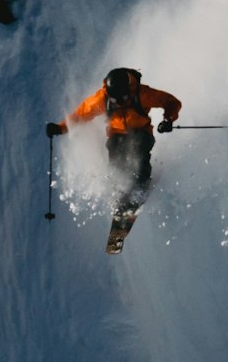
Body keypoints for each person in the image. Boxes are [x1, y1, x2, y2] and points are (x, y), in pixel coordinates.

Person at [47, 67, 182, 236]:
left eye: (123, 98)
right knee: (116, 164)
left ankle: (141, 183)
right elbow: (80, 116)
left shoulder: (142, 94)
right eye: (115, 99)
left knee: (138, 154)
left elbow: (172, 102)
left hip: (141, 132)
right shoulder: (101, 99)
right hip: (116, 136)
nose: (119, 102)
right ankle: (121, 195)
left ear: (129, 91)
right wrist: (60, 128)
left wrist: (168, 119)